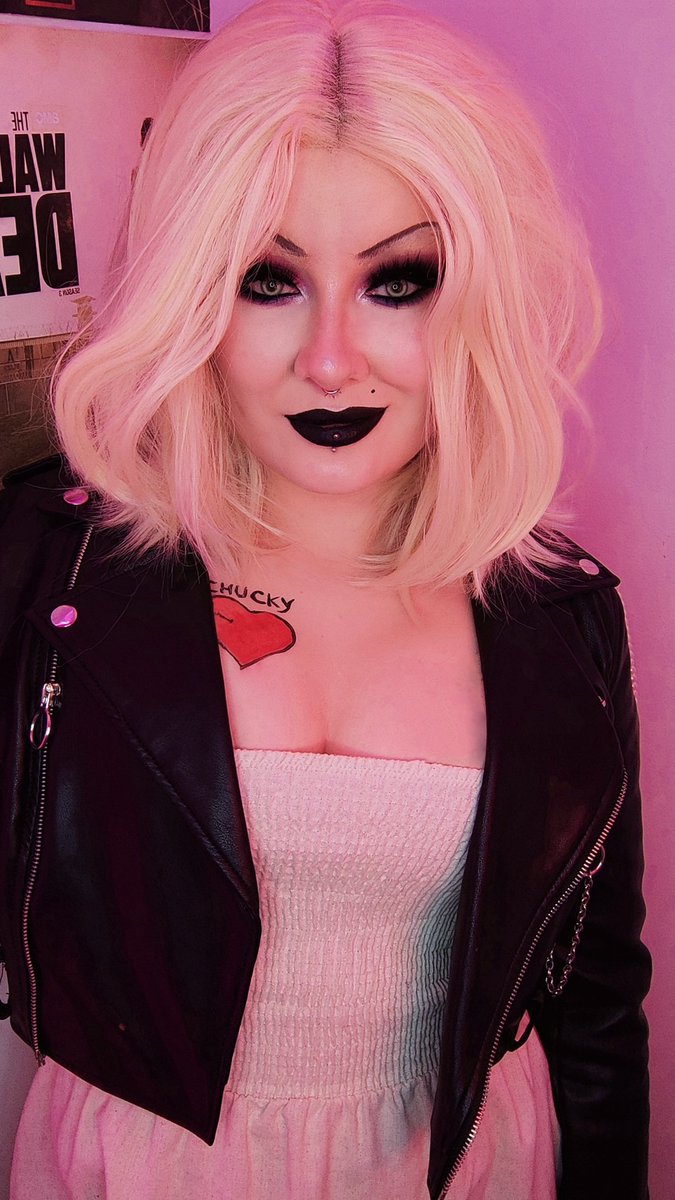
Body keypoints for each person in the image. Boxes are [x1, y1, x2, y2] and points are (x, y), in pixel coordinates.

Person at [0, 1, 650, 1197]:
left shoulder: (559, 619)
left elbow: (597, 997)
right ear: (193, 289)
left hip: (473, 1167)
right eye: (269, 280)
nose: (333, 359)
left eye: (399, 282)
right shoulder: (49, 579)